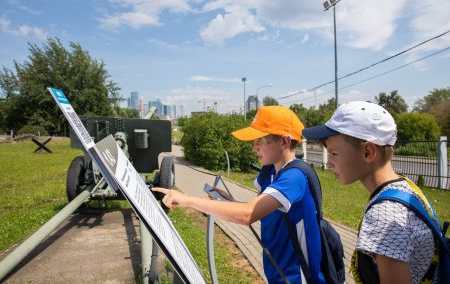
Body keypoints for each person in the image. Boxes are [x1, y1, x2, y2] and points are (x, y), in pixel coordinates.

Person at [153, 105, 325, 284]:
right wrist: (230, 202)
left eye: (260, 140)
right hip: (277, 273)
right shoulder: (270, 172)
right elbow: (261, 208)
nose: (254, 148)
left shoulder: (294, 177)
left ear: (284, 142)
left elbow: (247, 214)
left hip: (298, 277)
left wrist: (187, 200)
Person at [302, 101, 437, 284]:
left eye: (334, 154)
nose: (328, 164)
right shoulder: (406, 188)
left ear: (367, 152)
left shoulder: (385, 216)